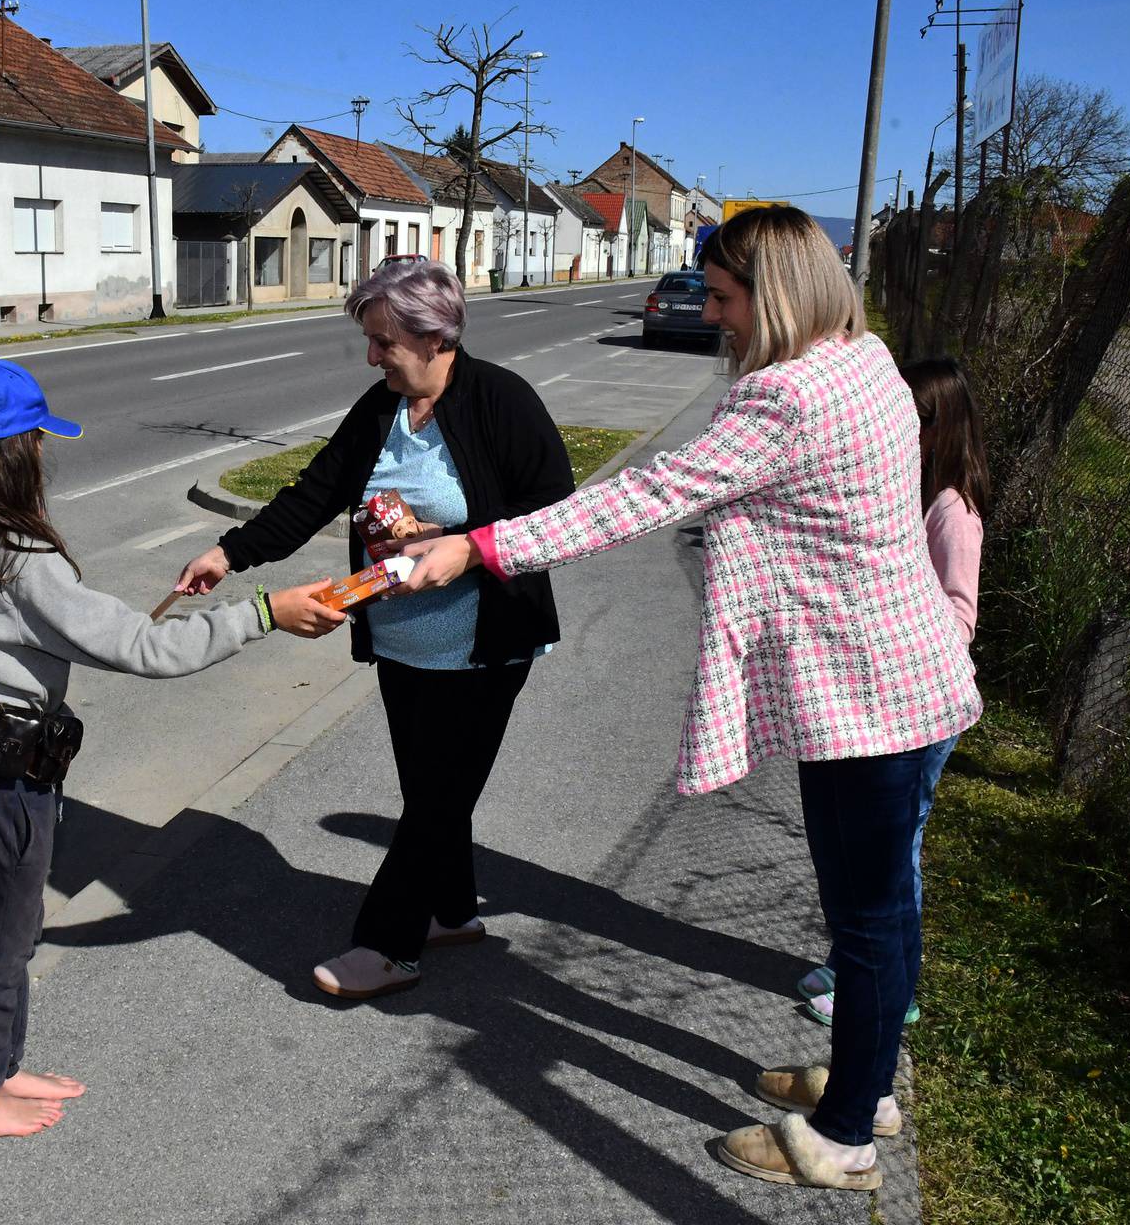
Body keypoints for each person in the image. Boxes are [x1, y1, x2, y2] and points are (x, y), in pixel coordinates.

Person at [401, 207, 981, 1191]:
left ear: (779, 292)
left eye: (720, 296)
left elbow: (643, 494)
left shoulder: (789, 396)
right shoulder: (865, 357)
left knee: (867, 921)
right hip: (900, 682)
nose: (710, 315)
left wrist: (480, 543)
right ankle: (866, 1084)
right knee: (873, 917)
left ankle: (842, 1138)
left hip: (871, 696)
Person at [0, 358, 342, 1140]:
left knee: (11, 925)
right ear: (12, 452)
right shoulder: (18, 557)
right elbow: (146, 649)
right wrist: (263, 613)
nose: (40, 452)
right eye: (34, 439)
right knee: (0, 936)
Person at [173, 259, 572, 1000]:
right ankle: (450, 913)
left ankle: (390, 943)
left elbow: (553, 515)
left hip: (487, 644)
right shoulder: (381, 408)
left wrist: (458, 541)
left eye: (383, 341)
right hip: (402, 641)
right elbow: (315, 491)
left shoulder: (502, 402)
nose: (372, 356)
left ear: (433, 336)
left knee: (435, 801)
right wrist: (229, 553)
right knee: (430, 789)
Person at [797, 357, 989, 1027]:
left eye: (913, 419)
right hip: (887, 699)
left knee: (895, 849)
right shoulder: (903, 489)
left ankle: (889, 994)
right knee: (872, 849)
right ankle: (855, 962)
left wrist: (895, 645)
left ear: (939, 428)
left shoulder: (952, 512)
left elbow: (959, 617)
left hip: (922, 705)